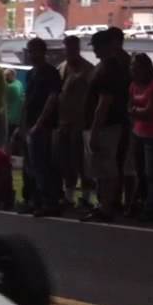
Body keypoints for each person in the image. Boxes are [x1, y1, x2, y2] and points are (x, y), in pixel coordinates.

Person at [83, 29, 129, 222]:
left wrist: (95, 129)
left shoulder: (109, 69)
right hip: (102, 125)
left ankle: (107, 206)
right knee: (99, 168)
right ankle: (102, 204)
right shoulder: (103, 66)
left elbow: (104, 102)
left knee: (106, 166)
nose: (94, 50)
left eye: (97, 46)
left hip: (106, 125)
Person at [21, 38, 64, 216]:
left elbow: (52, 99)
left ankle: (50, 202)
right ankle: (34, 200)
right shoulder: (31, 73)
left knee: (43, 164)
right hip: (29, 124)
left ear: (42, 52)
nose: (31, 55)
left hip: (44, 126)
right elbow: (27, 100)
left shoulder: (50, 72)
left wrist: (40, 122)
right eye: (30, 51)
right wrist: (22, 125)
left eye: (34, 51)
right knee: (30, 165)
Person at [57, 35, 95, 211]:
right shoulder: (62, 67)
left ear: (78, 48)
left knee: (82, 162)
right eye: (67, 47)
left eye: (72, 47)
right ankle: (69, 195)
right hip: (63, 121)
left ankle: (87, 197)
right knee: (66, 160)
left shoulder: (88, 69)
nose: (69, 51)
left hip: (81, 122)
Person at [128, 52, 153, 221]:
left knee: (151, 173)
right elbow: (129, 107)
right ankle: (142, 202)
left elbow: (151, 112)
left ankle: (151, 207)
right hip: (137, 133)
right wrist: (138, 112)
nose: (133, 69)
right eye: (132, 66)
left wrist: (136, 112)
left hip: (152, 135)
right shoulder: (133, 86)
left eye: (136, 66)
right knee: (140, 172)